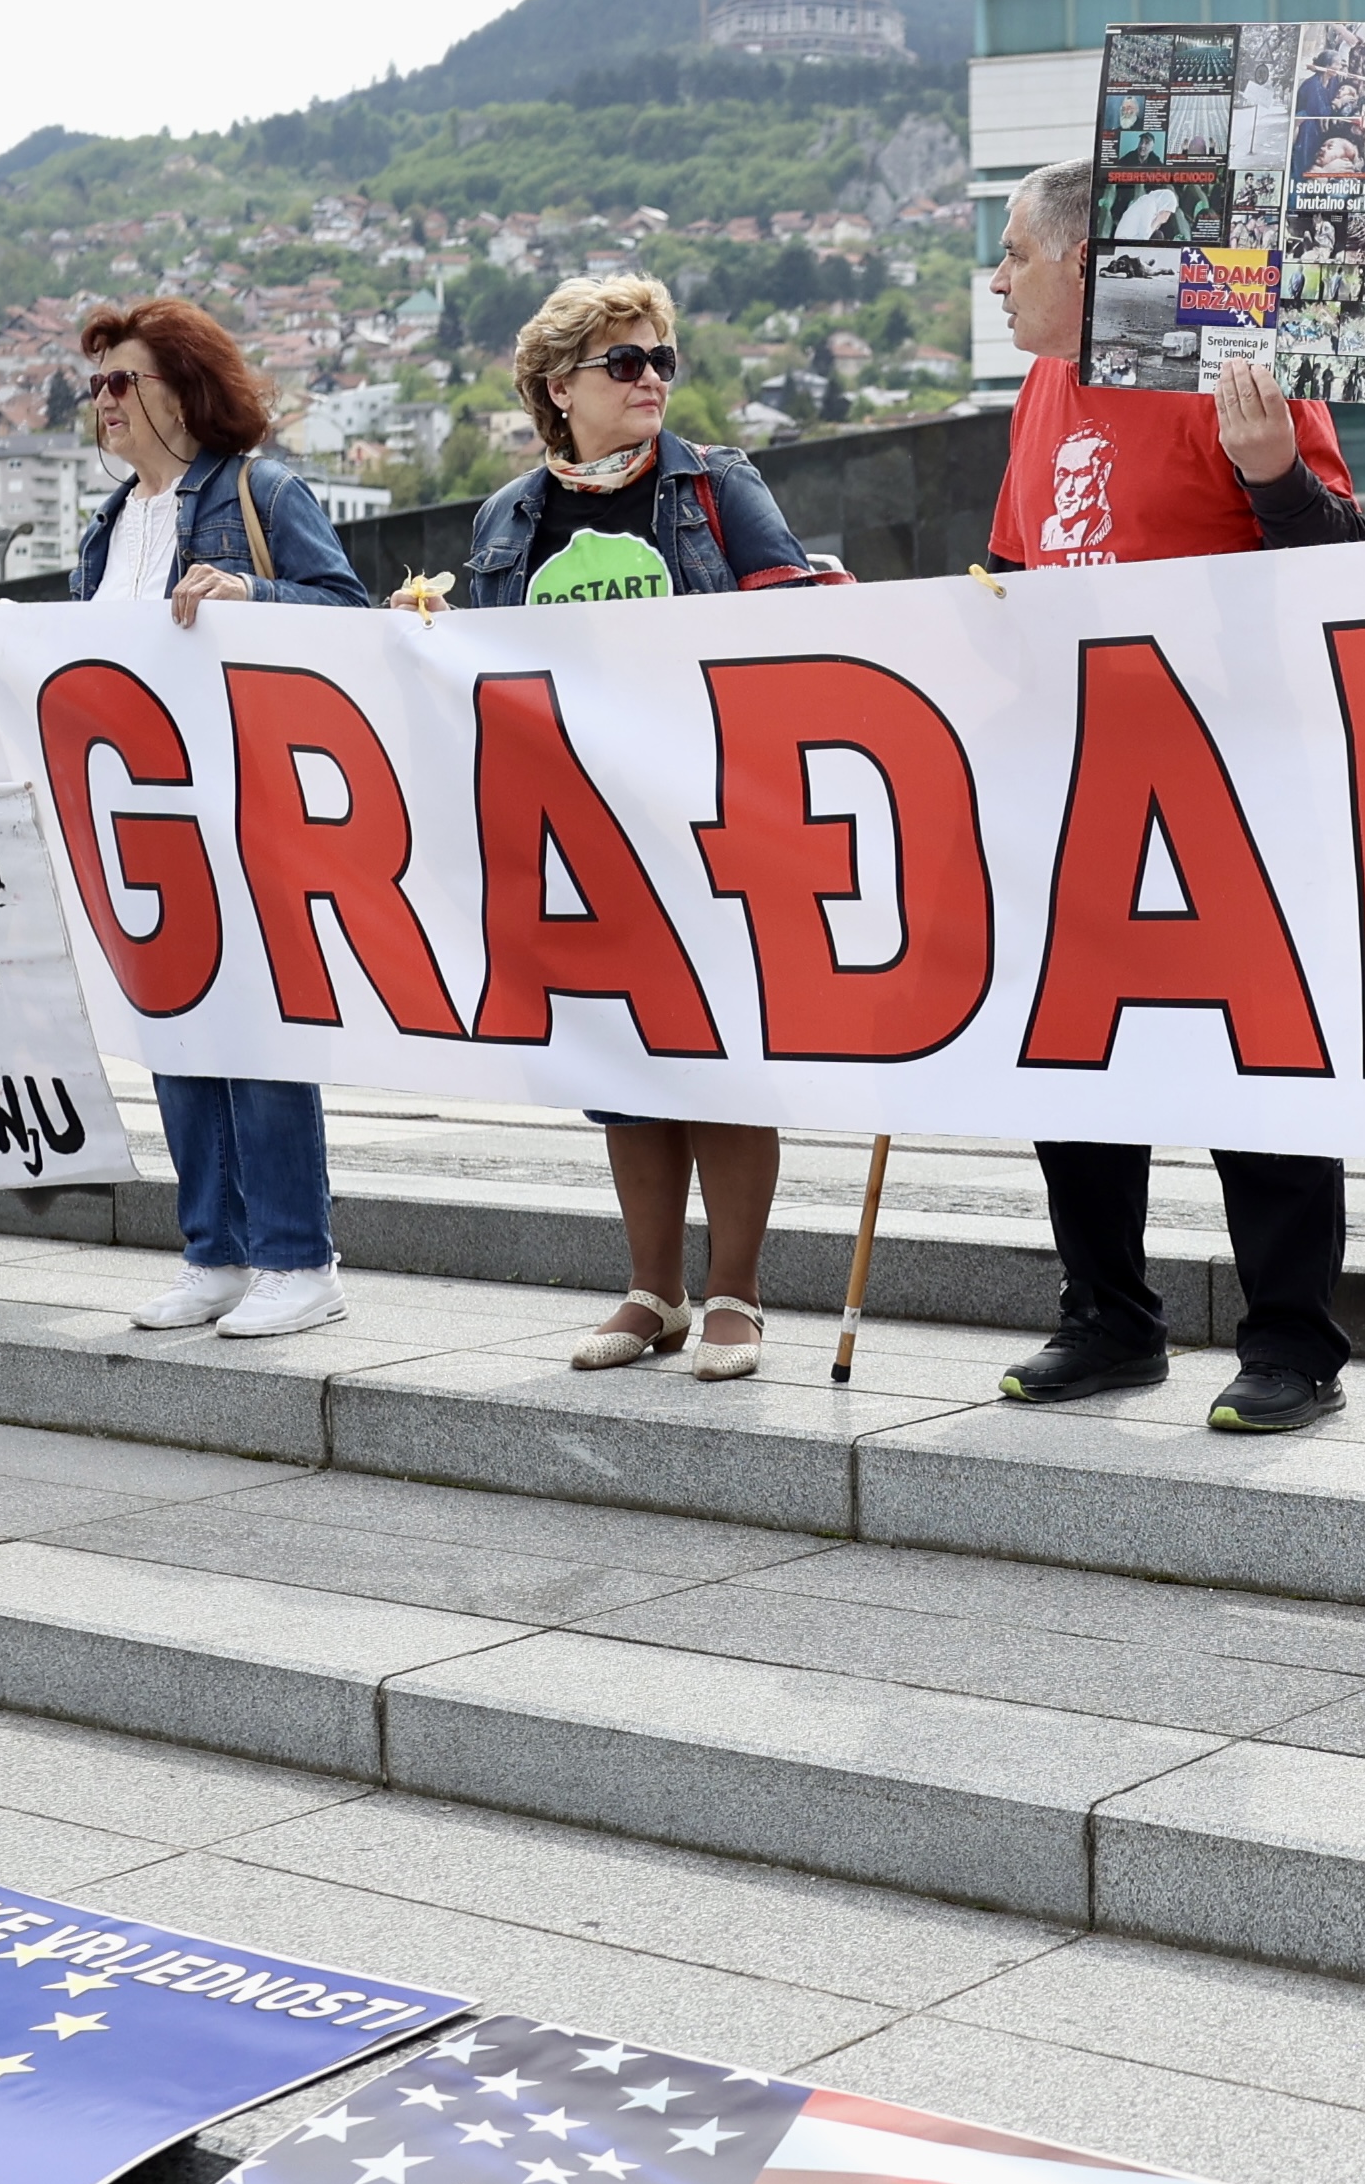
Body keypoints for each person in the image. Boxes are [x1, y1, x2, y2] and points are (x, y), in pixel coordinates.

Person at [978, 152, 1365, 1435]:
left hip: (1231, 768)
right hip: (1082, 766)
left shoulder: (1228, 363)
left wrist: (1270, 475)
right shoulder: (1040, 385)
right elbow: (1005, 567)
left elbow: (1335, 563)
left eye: (1012, 250)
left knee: (1254, 1048)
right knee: (1073, 1049)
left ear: (1086, 260)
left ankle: (1290, 1342)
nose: (995, 277)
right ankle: (1106, 1316)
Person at [453, 273, 815, 1380]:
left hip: (707, 814)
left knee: (720, 1052)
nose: (652, 377)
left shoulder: (714, 486)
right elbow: (479, 662)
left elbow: (790, 606)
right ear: (558, 388)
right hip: (580, 829)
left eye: (661, 358)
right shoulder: (508, 518)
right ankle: (651, 1291)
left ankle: (736, 1295)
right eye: (625, 362)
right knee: (624, 1056)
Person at [69, 299, 371, 1342]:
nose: (102, 400)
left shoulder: (261, 490)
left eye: (123, 380)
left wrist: (252, 591)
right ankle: (215, 1250)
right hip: (149, 817)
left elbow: (351, 614)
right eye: (96, 384)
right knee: (178, 1023)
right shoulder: (106, 528)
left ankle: (296, 1254)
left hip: (249, 802)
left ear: (182, 387)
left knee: (259, 1028)